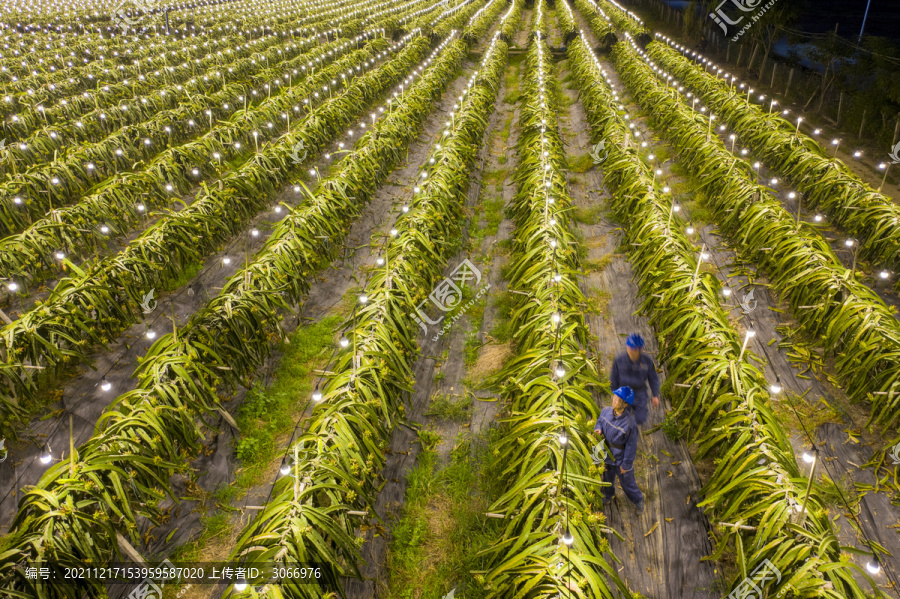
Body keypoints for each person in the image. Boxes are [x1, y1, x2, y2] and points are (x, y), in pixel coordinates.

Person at [594, 386, 644, 514]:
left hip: (620, 458)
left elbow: (631, 447)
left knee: (627, 483)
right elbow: (599, 421)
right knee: (607, 478)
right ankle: (607, 495)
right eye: (614, 397)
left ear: (625, 404)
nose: (614, 400)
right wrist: (598, 428)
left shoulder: (629, 425)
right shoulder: (606, 411)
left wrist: (626, 465)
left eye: (618, 399)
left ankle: (638, 501)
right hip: (607, 455)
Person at [609, 333, 660, 426]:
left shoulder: (647, 361)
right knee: (622, 417)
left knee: (641, 418)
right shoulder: (619, 360)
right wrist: (615, 393)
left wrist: (655, 395)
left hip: (639, 392)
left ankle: (634, 428)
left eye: (635, 349)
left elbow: (653, 378)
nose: (632, 351)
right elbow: (613, 377)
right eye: (630, 348)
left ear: (640, 349)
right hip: (624, 392)